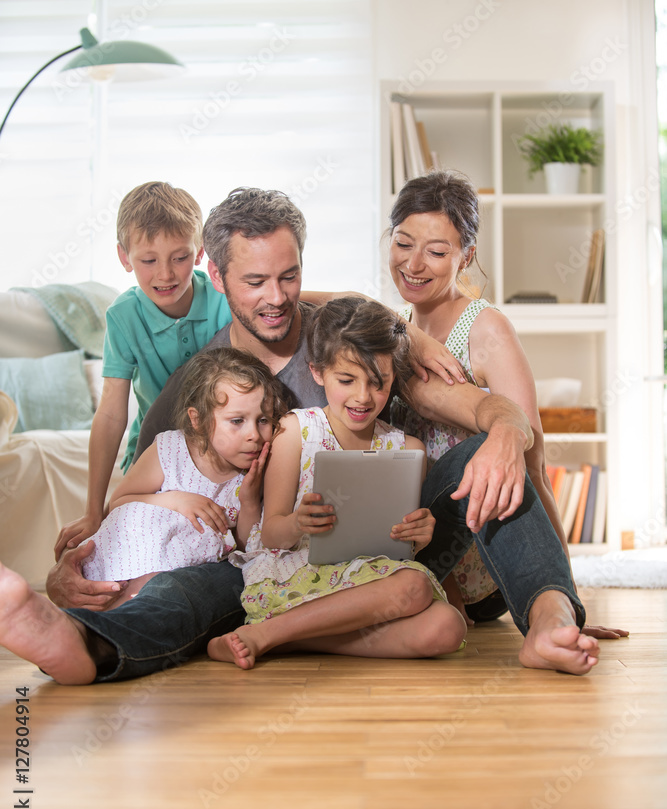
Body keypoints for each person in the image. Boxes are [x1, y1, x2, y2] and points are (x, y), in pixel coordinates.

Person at [0, 187, 600, 685]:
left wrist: (505, 433)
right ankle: (84, 643)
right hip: (265, 565)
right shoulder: (198, 384)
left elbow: (492, 411)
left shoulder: (346, 346)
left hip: (397, 550)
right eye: (256, 281)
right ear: (217, 275)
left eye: (290, 277)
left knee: (484, 457)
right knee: (191, 591)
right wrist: (78, 570)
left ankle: (549, 618)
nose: (277, 298)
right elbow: (142, 495)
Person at [387, 169, 628, 641]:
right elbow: (323, 303)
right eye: (402, 243)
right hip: (411, 544)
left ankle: (548, 616)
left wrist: (565, 594)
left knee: (490, 451)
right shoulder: (392, 327)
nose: (414, 264)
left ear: (466, 256)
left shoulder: (486, 328)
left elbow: (532, 467)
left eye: (436, 252)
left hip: (485, 556)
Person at [209, 298, 467, 669]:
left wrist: (420, 534)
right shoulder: (295, 432)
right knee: (415, 587)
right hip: (298, 577)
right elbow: (269, 535)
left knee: (447, 627)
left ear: (394, 378)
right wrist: (298, 522)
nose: (363, 397)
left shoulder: (407, 448)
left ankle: (289, 640)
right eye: (346, 380)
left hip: (369, 583)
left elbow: (404, 546)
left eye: (378, 384)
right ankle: (265, 634)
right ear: (317, 372)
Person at [54, 181, 232, 559]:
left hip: (221, 447)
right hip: (155, 450)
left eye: (180, 257)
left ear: (200, 252)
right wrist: (92, 510)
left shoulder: (223, 298)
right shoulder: (123, 316)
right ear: (124, 256)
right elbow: (111, 412)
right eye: (148, 260)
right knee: (136, 546)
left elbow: (272, 298)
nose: (165, 274)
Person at [80, 346, 288, 607]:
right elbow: (118, 504)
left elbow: (246, 547)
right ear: (198, 420)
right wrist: (176, 500)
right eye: (237, 421)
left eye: (263, 420)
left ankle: (121, 615)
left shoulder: (257, 470)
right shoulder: (171, 449)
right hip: (133, 555)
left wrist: (249, 502)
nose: (254, 435)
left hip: (180, 578)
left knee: (158, 594)